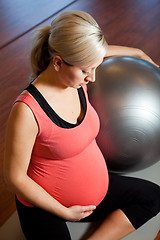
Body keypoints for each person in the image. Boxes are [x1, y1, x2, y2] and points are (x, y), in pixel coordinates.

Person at [4, 10, 160, 240]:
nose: (93, 78)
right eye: (87, 71)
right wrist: (65, 211)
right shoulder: (27, 110)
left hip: (91, 196)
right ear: (57, 62)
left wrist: (141, 55)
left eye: (95, 66)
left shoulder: (76, 72)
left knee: (153, 197)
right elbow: (14, 178)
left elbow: (111, 53)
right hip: (45, 207)